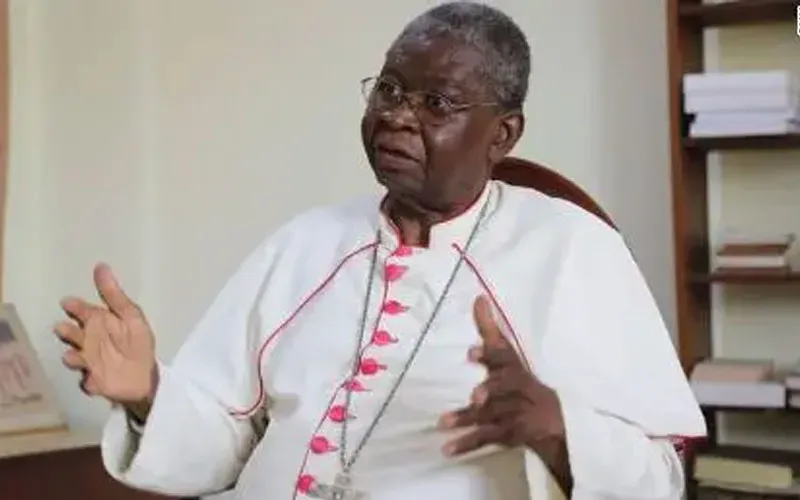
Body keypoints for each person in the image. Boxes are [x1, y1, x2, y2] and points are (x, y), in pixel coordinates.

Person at [54, 3, 706, 499]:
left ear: (502, 134)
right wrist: (148, 394)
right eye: (389, 90)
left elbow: (661, 478)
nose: (396, 115)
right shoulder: (305, 243)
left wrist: (557, 429)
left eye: (436, 103)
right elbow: (227, 445)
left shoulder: (572, 251)